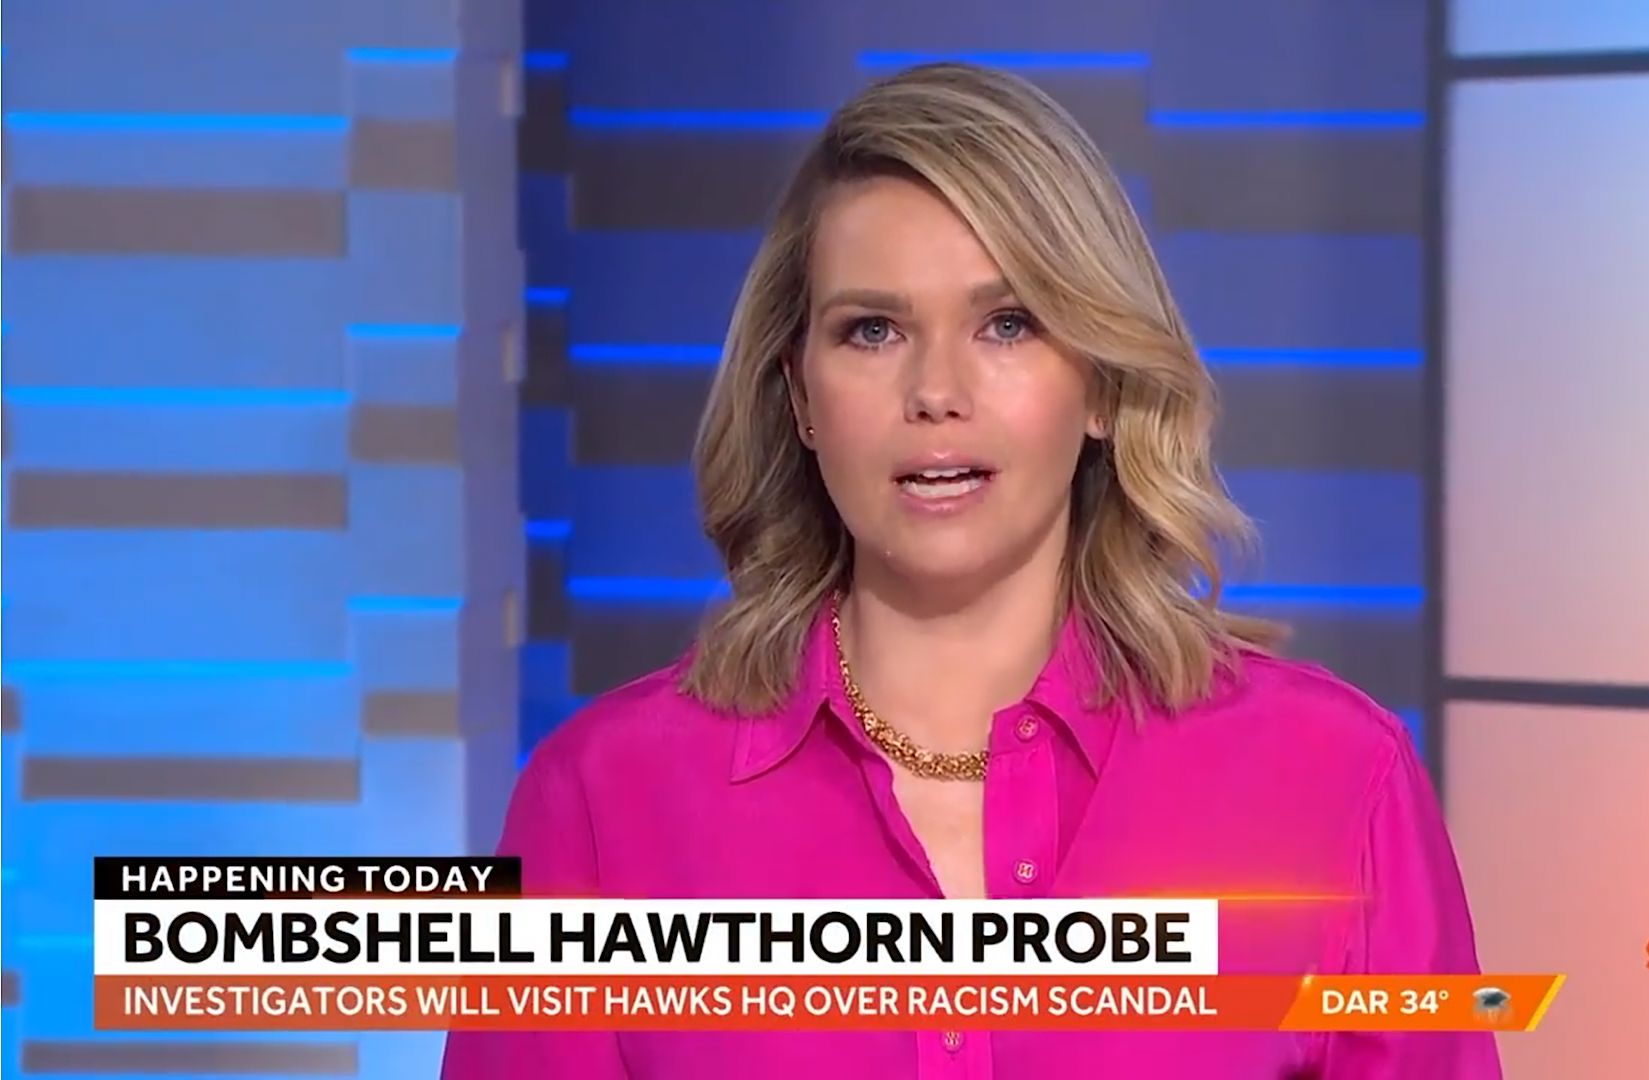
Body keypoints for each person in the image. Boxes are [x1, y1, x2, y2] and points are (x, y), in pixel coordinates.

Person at [443, 62, 1498, 1078]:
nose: (937, 391)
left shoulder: (1333, 779)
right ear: (801, 397)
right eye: (872, 330)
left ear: (1101, 385)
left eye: (1007, 323)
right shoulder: (601, 800)